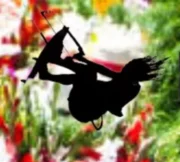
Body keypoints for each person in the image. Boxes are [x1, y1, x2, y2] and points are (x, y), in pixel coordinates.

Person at [29, 27, 162, 125]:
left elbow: (102, 75)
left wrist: (80, 62)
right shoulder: (132, 85)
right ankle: (53, 67)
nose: (128, 66)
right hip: (91, 105)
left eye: (131, 65)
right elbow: (103, 73)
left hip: (85, 108)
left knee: (86, 74)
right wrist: (83, 61)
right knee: (87, 75)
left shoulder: (127, 83)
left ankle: (50, 70)